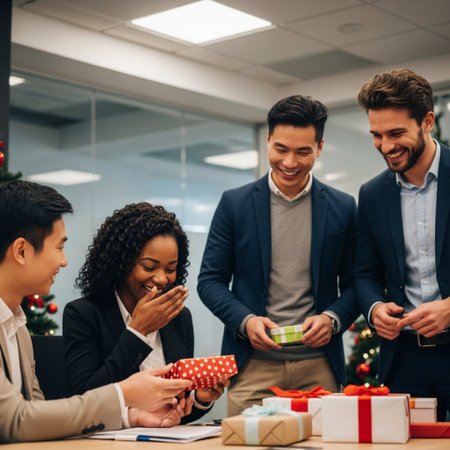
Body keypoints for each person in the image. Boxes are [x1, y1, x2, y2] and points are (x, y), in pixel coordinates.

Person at [197, 95, 359, 416]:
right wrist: (245, 321)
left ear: (320, 147)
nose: (289, 162)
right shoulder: (235, 204)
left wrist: (332, 319)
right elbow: (210, 281)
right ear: (268, 139)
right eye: (280, 149)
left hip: (319, 368)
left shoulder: (343, 206)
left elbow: (357, 284)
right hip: (252, 367)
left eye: (303, 152)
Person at [0, 180, 193, 443]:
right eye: (59, 247)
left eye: (170, 269)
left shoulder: (17, 326)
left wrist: (131, 417)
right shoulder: (83, 314)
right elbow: (16, 420)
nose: (64, 260)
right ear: (21, 251)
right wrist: (123, 394)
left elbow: (36, 415)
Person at [63, 202, 226, 425]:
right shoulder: (83, 314)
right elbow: (86, 397)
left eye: (170, 269)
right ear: (121, 263)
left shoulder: (178, 317)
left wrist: (199, 399)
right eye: (149, 267)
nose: (161, 279)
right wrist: (138, 332)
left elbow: (177, 411)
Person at [355, 68, 450, 420]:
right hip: (403, 360)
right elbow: (363, 274)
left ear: (427, 121)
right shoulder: (372, 194)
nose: (386, 146)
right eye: (376, 135)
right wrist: (374, 309)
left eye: (396, 133)